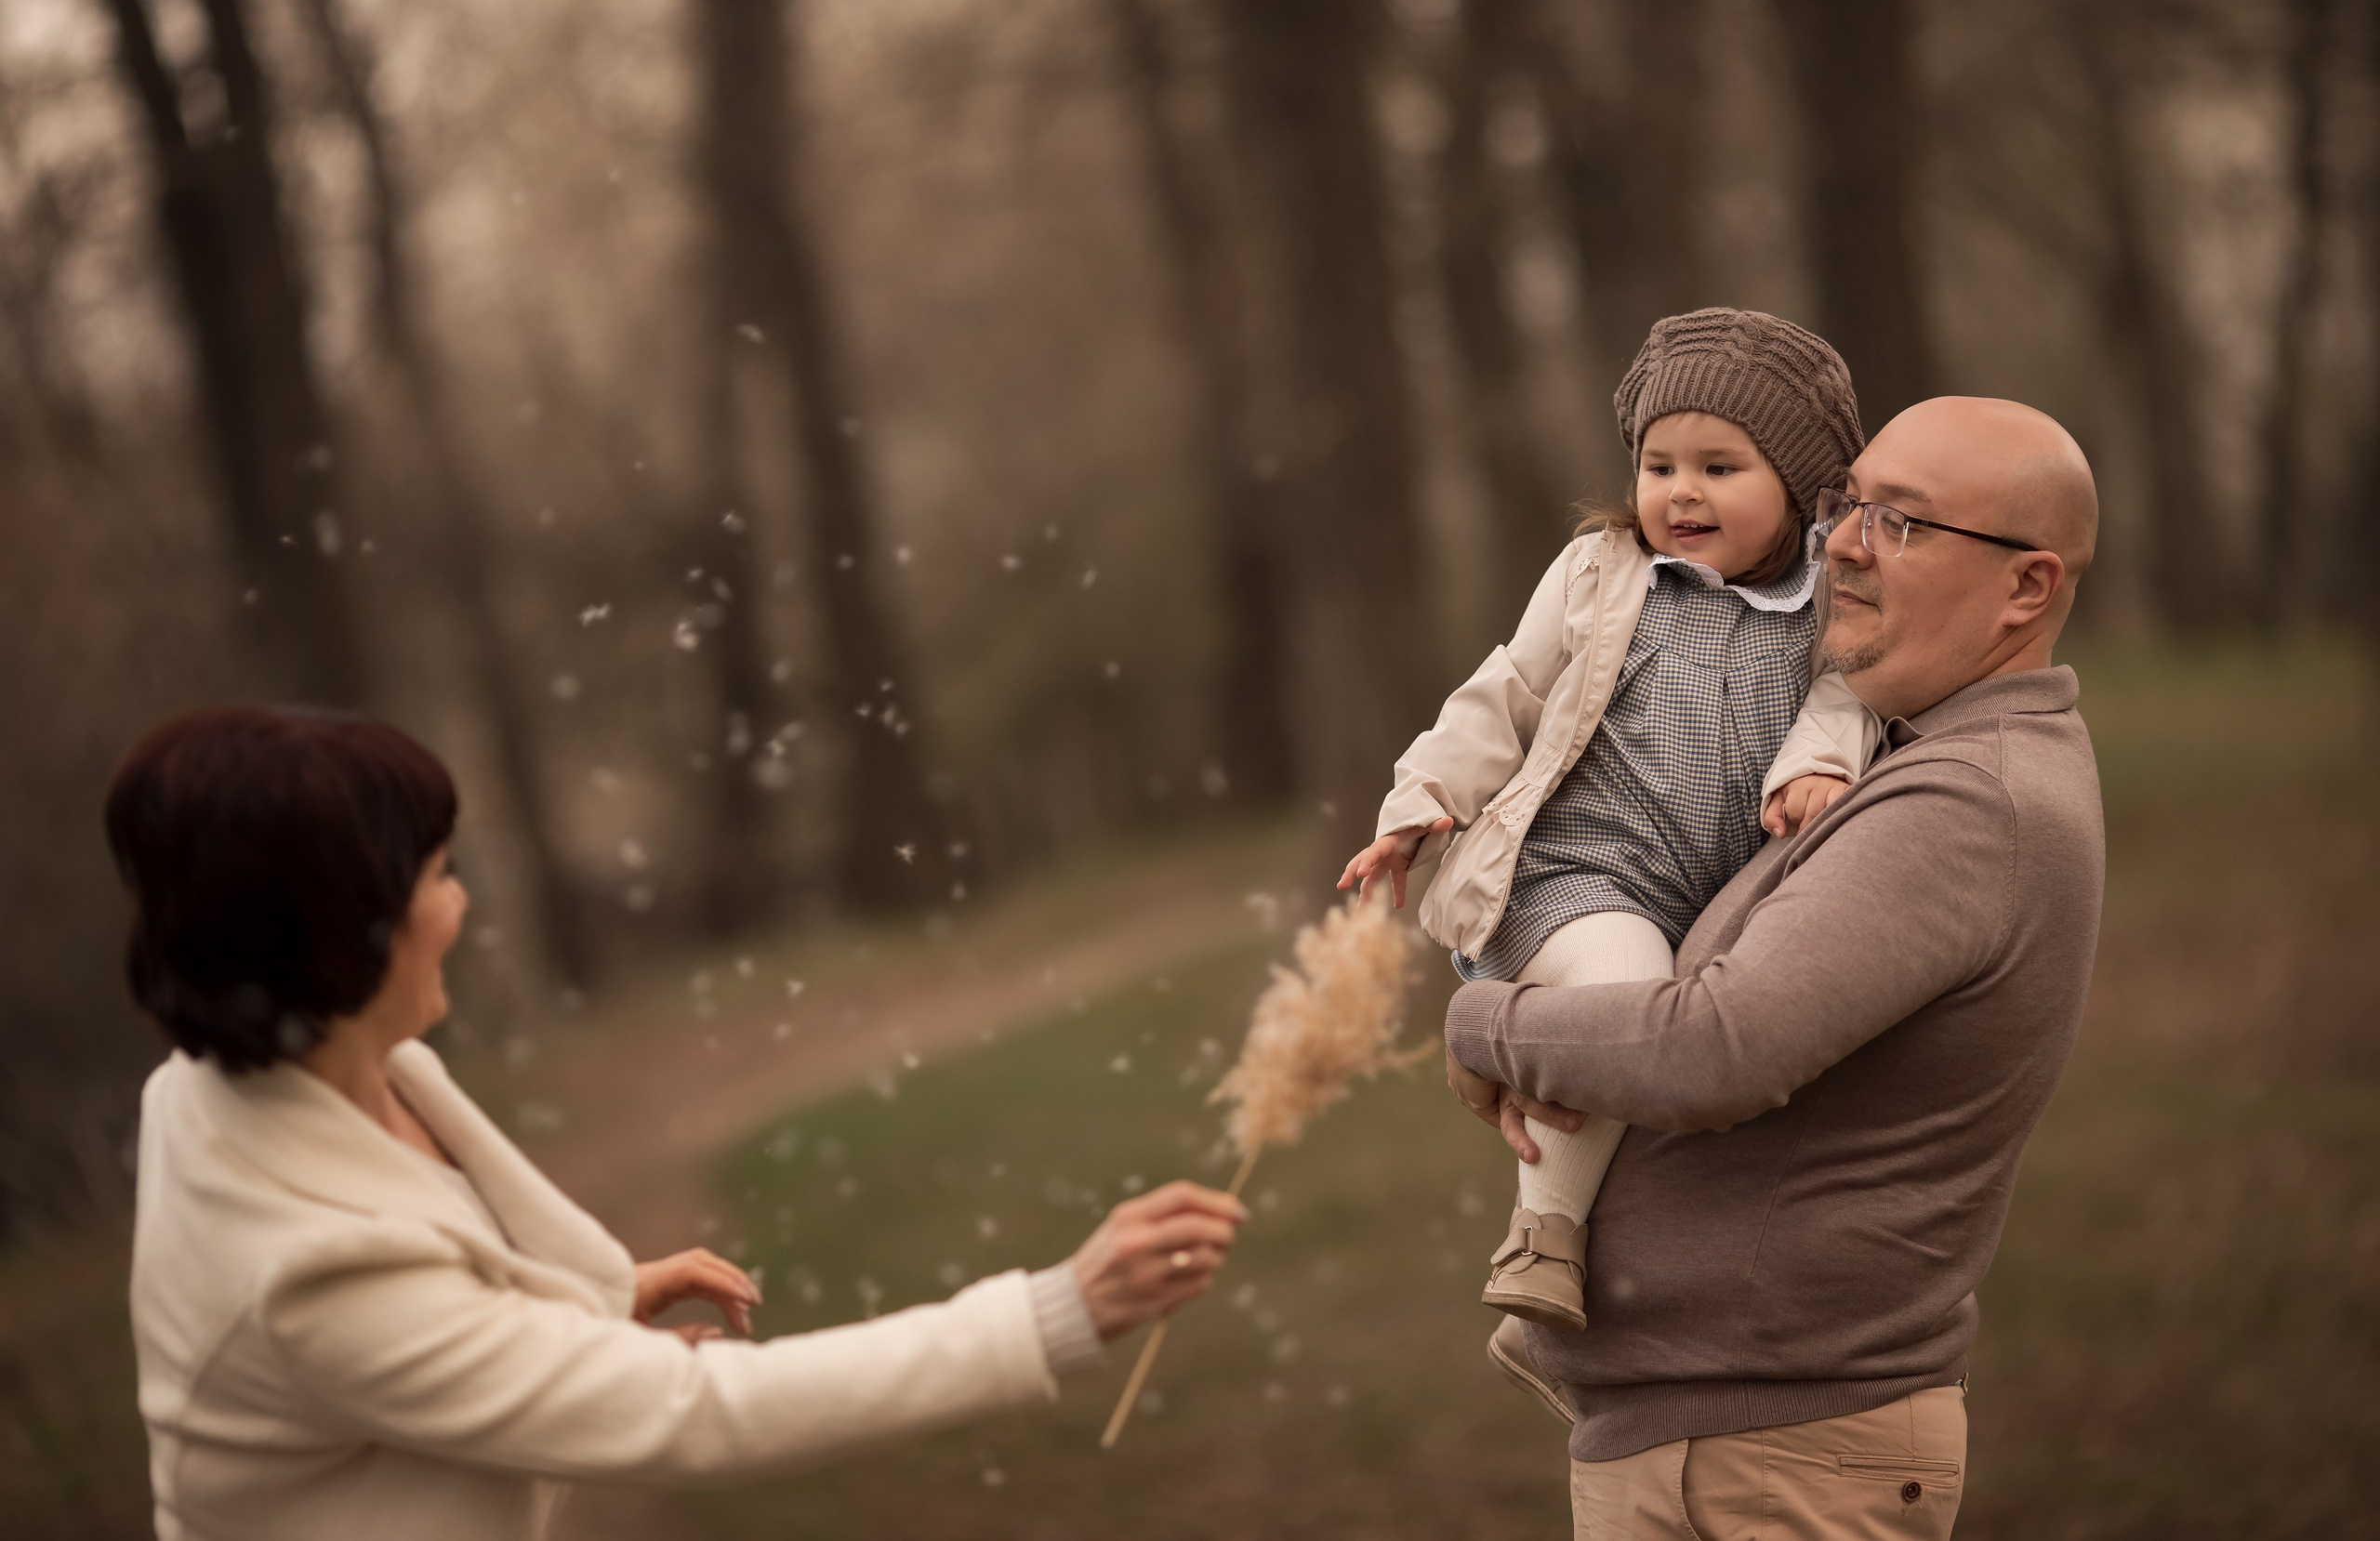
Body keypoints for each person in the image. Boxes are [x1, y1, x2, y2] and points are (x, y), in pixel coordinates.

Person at [107, 706, 1246, 1541]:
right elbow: (690, 1416)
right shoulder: (308, 1279)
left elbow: (424, 1246)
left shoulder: (253, 1073)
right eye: (439, 876)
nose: (459, 908)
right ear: (343, 935)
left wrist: (593, 1296)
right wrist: (1052, 1314)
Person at [1442, 396, 2105, 1540]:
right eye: (1850, 503)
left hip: (1771, 1464)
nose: (1841, 540)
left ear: (2026, 588)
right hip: (1728, 1449)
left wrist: (1481, 1026)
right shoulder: (1904, 760)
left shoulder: (1967, 800)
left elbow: (1713, 1047)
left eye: (1903, 523)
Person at [1339, 309, 1876, 1332]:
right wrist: (1418, 807)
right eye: (1661, 464)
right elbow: (1506, 692)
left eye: (1721, 467)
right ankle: (1543, 1241)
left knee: (1689, 1074)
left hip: (1712, 895)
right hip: (1579, 875)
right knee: (1626, 995)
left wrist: (1815, 765)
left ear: (1806, 488)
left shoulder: (1830, 603)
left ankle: (1601, 1259)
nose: (1681, 491)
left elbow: (1847, 696)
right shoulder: (1601, 572)